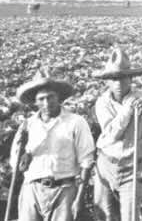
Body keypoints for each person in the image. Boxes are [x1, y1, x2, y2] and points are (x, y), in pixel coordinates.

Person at [10, 69, 95, 221]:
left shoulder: (75, 122)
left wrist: (78, 199)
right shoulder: (27, 126)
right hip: (32, 189)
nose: (47, 103)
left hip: (64, 189)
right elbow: (16, 163)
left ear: (59, 98)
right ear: (35, 102)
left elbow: (87, 162)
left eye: (51, 97)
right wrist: (23, 157)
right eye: (41, 99)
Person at [92, 48, 142, 221]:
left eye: (123, 77)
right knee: (104, 213)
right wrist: (127, 110)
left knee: (130, 215)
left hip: (133, 166)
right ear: (107, 82)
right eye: (114, 79)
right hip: (106, 163)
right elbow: (111, 134)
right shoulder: (102, 103)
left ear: (131, 78)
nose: (118, 83)